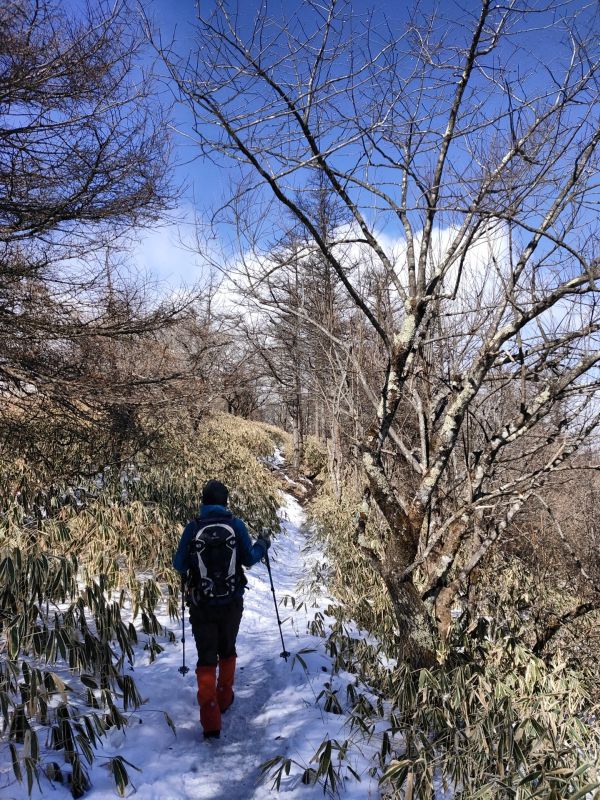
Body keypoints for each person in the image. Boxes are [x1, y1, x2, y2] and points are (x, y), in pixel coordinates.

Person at [173, 479, 271, 739]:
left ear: (203, 501)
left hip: (201, 605)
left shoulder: (193, 528)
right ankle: (225, 698)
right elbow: (249, 559)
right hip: (231, 603)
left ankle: (211, 720)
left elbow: (179, 564)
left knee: (206, 658)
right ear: (225, 502)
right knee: (227, 650)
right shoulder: (235, 525)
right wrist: (263, 544)